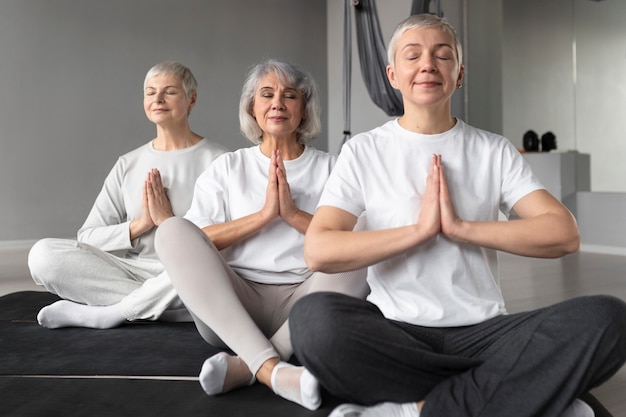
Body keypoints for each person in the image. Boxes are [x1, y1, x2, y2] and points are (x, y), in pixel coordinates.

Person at [289, 14, 626, 417]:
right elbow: (319, 249)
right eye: (413, 56)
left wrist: (461, 229)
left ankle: (413, 408)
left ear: (459, 74)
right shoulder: (364, 151)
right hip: (398, 332)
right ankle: (507, 392)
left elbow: (563, 234)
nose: (428, 64)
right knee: (312, 320)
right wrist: (419, 231)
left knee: (609, 318)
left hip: (486, 334)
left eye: (442, 55)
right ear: (393, 75)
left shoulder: (493, 151)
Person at [154, 59, 368, 410]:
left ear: (304, 108)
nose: (277, 103)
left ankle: (252, 365)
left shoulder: (335, 168)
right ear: (252, 109)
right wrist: (264, 216)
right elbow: (198, 237)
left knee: (368, 234)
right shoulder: (227, 167)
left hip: (309, 305)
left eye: (290, 96)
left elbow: (350, 244)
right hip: (233, 307)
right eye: (266, 94)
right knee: (171, 229)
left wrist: (294, 215)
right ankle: (276, 370)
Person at [28, 61, 228, 329]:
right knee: (42, 255)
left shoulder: (220, 161)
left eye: (169, 91)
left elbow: (227, 239)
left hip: (187, 272)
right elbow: (87, 237)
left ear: (191, 99)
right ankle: (167, 309)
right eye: (150, 92)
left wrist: (168, 221)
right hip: (136, 273)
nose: (157, 99)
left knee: (223, 267)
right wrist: (141, 224)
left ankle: (115, 311)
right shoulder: (128, 163)